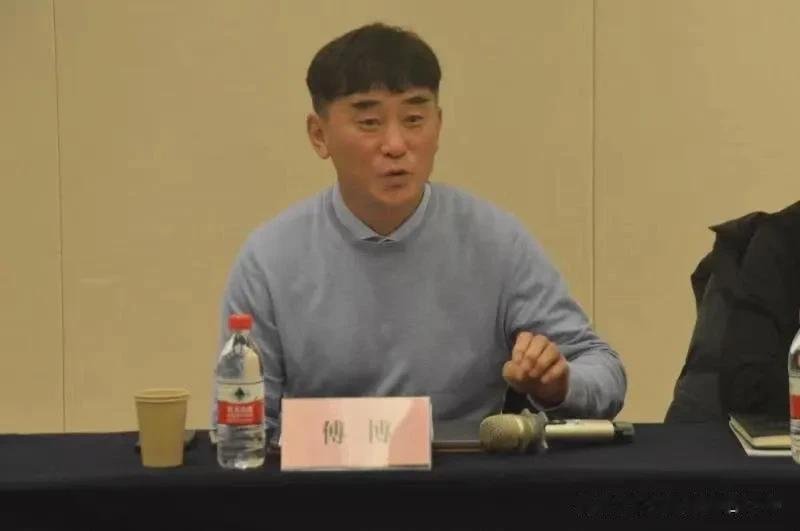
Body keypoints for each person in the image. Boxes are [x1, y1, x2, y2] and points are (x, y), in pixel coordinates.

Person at [216, 22, 626, 440]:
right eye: (370, 122)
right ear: (319, 135)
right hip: (323, 477)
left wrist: (557, 385)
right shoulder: (270, 260)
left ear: (438, 125)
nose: (396, 145)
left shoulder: (495, 242)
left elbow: (604, 371)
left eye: (414, 119)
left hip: (463, 476)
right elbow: (242, 428)